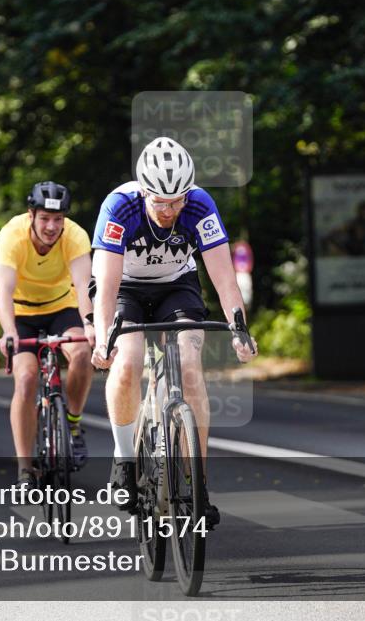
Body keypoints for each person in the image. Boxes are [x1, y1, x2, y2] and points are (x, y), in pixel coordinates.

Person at [89, 137, 258, 523]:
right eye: (161, 202)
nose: (170, 210)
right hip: (126, 287)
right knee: (128, 361)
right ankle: (125, 461)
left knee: (189, 365)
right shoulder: (120, 206)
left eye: (177, 200)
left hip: (177, 284)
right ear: (144, 191)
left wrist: (239, 328)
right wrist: (103, 339)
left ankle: (197, 483)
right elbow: (108, 285)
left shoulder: (199, 204)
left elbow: (224, 277)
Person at [0, 182, 95, 487]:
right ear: (31, 215)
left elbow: (83, 286)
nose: (52, 227)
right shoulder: (11, 235)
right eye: (45, 219)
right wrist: (9, 332)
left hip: (61, 308)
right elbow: (4, 292)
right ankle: (25, 468)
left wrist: (90, 325)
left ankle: (73, 425)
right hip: (21, 313)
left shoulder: (75, 236)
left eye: (58, 220)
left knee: (81, 353)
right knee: (25, 378)